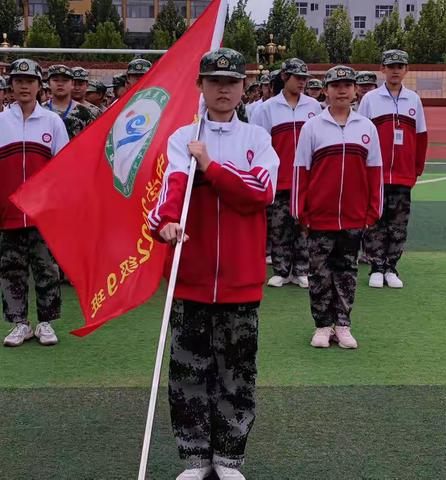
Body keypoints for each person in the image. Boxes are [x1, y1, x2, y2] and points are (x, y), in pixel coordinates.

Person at [147, 47, 279, 480]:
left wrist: (211, 164)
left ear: (244, 88)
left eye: (232, 82)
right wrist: (166, 224)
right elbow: (172, 187)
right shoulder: (182, 137)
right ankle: (194, 458)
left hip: (241, 281)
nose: (223, 89)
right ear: (200, 86)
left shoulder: (257, 140)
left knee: (237, 373)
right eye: (214, 81)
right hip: (191, 279)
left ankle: (228, 459)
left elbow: (260, 192)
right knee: (188, 372)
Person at [292, 65, 383, 349]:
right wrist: (301, 212)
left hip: (354, 218)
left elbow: (375, 172)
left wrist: (372, 212)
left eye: (347, 84)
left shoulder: (366, 128)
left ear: (355, 90)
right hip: (319, 217)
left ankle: (342, 324)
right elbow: (300, 171)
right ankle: (321, 325)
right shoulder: (312, 127)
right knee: (319, 273)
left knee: (346, 272)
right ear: (326, 91)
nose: (342, 90)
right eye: (335, 85)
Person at [0, 59, 69, 347]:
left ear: (40, 86)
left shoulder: (53, 122)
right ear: (11, 86)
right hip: (8, 210)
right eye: (18, 81)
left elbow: (64, 165)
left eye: (29, 81)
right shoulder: (1, 121)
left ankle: (45, 322)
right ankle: (20, 323)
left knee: (46, 267)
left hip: (43, 212)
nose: (24, 86)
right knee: (10, 268)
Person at [358, 50, 428, 289]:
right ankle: (376, 267)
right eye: (391, 66)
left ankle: (391, 267)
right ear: (383, 69)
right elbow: (361, 136)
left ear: (406, 69)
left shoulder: (414, 100)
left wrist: (416, 169)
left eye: (400, 66)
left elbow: (421, 137)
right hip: (375, 173)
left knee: (398, 223)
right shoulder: (370, 99)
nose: (396, 70)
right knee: (375, 220)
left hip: (403, 172)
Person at [252, 58, 322, 289]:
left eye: (304, 78)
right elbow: (259, 144)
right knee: (279, 224)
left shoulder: (313, 107)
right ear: (284, 77)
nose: (302, 82)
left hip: (306, 177)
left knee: (303, 224)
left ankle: (301, 269)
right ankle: (281, 270)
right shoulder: (267, 108)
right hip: (279, 178)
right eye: (297, 78)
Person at [44, 64, 96, 139]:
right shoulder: (40, 110)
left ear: (72, 84)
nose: (60, 84)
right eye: (55, 80)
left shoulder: (84, 113)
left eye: (65, 80)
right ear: (48, 83)